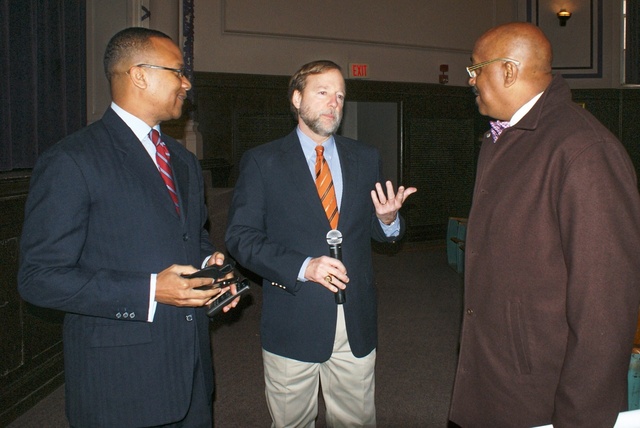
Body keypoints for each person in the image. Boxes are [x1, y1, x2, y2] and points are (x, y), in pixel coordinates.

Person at [18, 27, 239, 427]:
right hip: (121, 383)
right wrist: (151, 290)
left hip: (191, 371)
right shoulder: (72, 160)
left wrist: (210, 265)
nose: (186, 83)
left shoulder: (182, 159)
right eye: (177, 71)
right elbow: (39, 278)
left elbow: (192, 236)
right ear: (139, 75)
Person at [449, 22, 640, 427]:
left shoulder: (583, 151)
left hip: (540, 394)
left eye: (475, 69)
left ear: (508, 71)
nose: (471, 80)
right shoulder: (506, 138)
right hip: (500, 373)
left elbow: (605, 310)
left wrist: (581, 417)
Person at [225, 60, 416, 427]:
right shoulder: (263, 162)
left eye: (340, 95)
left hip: (355, 319)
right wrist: (303, 266)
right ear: (296, 99)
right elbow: (241, 238)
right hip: (294, 317)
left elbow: (376, 233)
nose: (334, 103)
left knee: (356, 421)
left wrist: (388, 221)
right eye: (323, 92)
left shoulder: (365, 157)